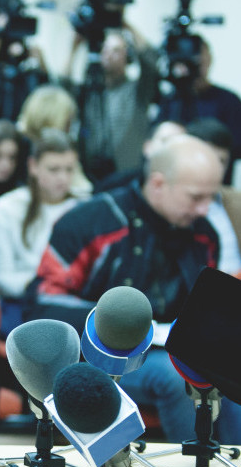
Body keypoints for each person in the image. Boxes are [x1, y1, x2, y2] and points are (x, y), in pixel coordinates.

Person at [28, 134, 235, 443]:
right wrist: (124, 325)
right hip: (101, 354)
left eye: (211, 198)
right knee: (171, 376)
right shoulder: (90, 223)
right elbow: (42, 304)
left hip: (174, 348)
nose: (205, 209)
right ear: (158, 184)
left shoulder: (203, 234)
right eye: (195, 197)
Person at [0, 129, 84, 336]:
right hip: (23, 303)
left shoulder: (83, 207)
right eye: (54, 169)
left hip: (73, 301)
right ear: (33, 166)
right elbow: (1, 276)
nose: (63, 178)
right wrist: (44, 284)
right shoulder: (7, 207)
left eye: (69, 169)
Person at [64, 24, 160, 183]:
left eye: (116, 50)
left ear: (127, 57)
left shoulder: (138, 90)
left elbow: (151, 61)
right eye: (105, 49)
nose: (108, 54)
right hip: (90, 173)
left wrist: (126, 24)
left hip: (126, 173)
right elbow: (64, 86)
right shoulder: (91, 91)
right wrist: (73, 49)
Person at [159, 35, 241, 171]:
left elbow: (237, 148)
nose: (196, 63)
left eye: (199, 57)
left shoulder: (228, 100)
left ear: (209, 59)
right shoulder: (172, 100)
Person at [185, 117, 241, 275]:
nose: (215, 167)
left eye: (222, 161)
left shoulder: (236, 200)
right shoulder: (174, 204)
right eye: (207, 158)